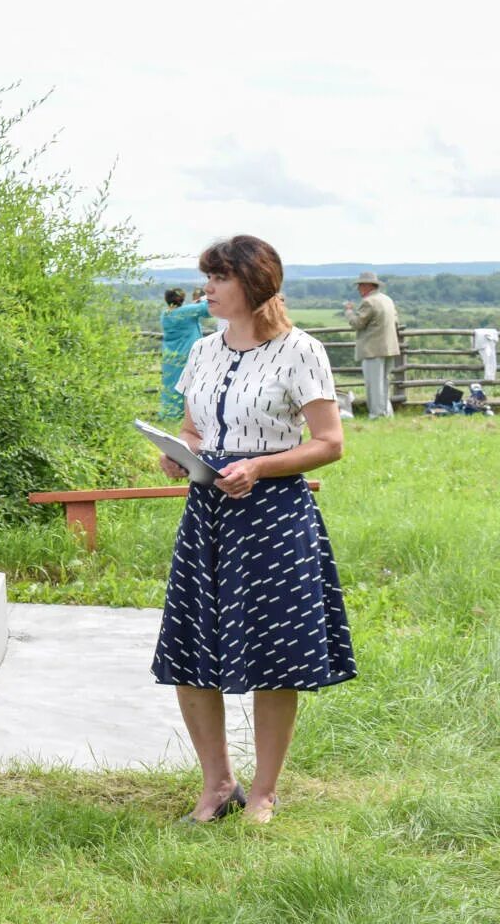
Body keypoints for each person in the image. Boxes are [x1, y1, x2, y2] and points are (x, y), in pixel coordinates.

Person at [153, 235, 355, 825]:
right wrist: (179, 454)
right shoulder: (204, 351)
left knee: (275, 655)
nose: (207, 289)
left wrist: (260, 466)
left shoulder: (302, 351)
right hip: (208, 514)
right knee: (192, 652)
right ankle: (217, 785)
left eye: (218, 278)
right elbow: (192, 430)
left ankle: (263, 793)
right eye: (206, 278)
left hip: (274, 517)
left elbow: (330, 444)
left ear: (254, 284)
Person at [343, 271, 399, 418]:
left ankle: (376, 414)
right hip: (389, 347)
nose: (358, 288)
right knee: (384, 383)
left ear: (367, 286)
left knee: (374, 384)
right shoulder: (387, 299)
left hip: (372, 348)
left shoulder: (369, 302)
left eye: (360, 285)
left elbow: (357, 323)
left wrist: (349, 312)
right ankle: (386, 413)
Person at [159, 287, 210, 418]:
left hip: (170, 357)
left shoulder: (166, 314)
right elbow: (207, 309)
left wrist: (194, 304)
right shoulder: (186, 312)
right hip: (186, 356)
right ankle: (184, 415)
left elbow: (186, 311)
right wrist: (203, 298)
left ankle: (170, 414)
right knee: (189, 385)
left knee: (171, 386)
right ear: (181, 298)